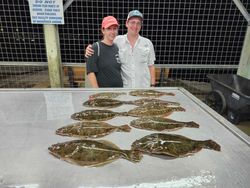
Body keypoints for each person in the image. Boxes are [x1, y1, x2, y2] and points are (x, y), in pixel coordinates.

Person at [85, 10, 156, 88]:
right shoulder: (117, 41)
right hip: (125, 90)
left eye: (138, 23)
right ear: (126, 23)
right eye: (132, 22)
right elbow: (104, 44)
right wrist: (89, 49)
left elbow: (151, 66)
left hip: (143, 88)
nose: (135, 26)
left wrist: (152, 85)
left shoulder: (148, 43)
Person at [86, 16, 123, 88]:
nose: (112, 32)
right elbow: (90, 72)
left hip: (118, 92)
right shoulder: (95, 47)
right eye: (109, 29)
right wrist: (97, 92)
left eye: (115, 29)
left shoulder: (117, 47)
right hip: (104, 94)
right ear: (103, 30)